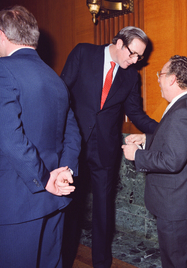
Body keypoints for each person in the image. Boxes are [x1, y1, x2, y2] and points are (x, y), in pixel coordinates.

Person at [61, 26, 158, 268]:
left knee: (103, 210)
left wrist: (164, 128)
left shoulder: (131, 76)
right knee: (71, 206)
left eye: (139, 57)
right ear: (118, 42)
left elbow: (135, 113)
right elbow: (61, 94)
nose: (134, 60)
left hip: (105, 150)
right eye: (132, 53)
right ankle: (63, 260)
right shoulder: (83, 53)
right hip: (74, 144)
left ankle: (101, 263)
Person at [0, 5, 81, 268]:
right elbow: (73, 134)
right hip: (53, 200)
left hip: (15, 205)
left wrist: (44, 179)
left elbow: (10, 138)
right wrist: (65, 171)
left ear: (0, 34)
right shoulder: (55, 79)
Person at [122, 55, 187, 268]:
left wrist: (136, 155)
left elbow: (172, 160)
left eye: (160, 75)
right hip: (178, 204)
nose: (158, 80)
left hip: (177, 206)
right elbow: (176, 142)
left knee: (177, 262)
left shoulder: (183, 112)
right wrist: (146, 138)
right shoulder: (184, 105)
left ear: (172, 79)